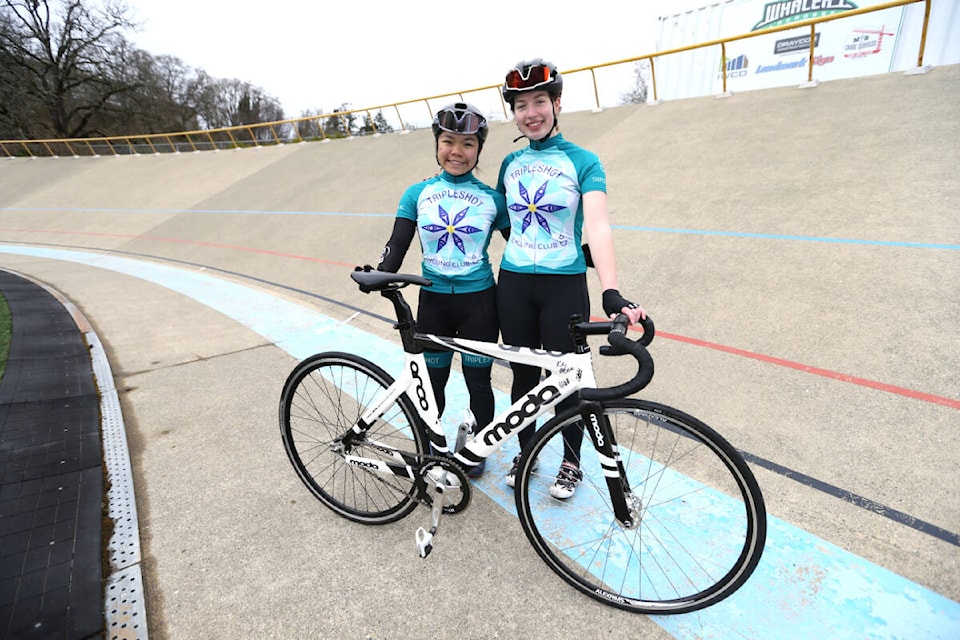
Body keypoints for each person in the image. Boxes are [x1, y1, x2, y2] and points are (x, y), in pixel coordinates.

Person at [495, 59, 646, 498]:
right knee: (524, 378)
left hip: (564, 287)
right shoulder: (510, 162)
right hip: (515, 285)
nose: (531, 113)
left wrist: (610, 290)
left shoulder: (583, 160)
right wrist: (534, 248)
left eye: (539, 101)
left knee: (567, 379)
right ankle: (527, 453)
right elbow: (507, 221)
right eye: (521, 105)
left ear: (556, 102)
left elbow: (597, 225)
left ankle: (571, 463)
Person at [375, 102, 509, 478]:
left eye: (467, 144)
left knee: (478, 383)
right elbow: (397, 244)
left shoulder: (492, 199)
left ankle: (477, 450)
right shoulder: (417, 194)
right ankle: (433, 449)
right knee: (433, 384)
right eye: (448, 141)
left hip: (479, 303)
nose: (457, 151)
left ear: (478, 149)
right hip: (433, 302)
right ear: (437, 145)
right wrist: (381, 273)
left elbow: (519, 244)